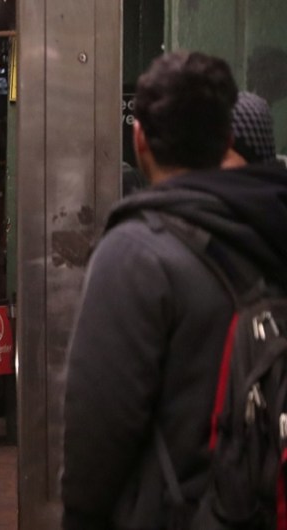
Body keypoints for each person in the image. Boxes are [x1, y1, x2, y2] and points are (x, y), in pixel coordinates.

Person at [61, 51, 287, 529]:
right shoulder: (272, 229)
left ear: (139, 138)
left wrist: (80, 516)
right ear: (226, 139)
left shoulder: (135, 253)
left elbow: (99, 429)